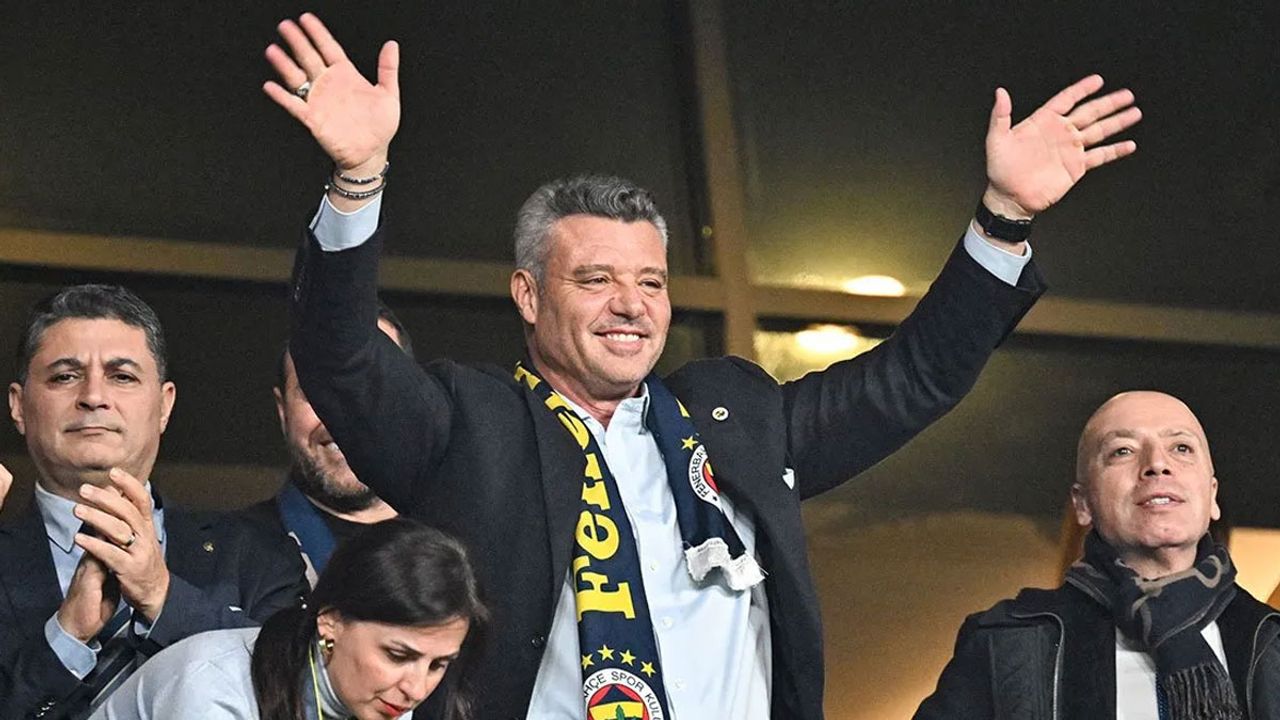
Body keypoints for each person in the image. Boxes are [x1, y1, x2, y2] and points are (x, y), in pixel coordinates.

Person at [263, 13, 1142, 719]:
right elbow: (340, 362)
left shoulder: (735, 419)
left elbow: (912, 379)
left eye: (650, 282)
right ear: (527, 296)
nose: (631, 304)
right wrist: (358, 179)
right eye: (596, 280)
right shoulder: (467, 423)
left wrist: (1002, 219)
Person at [0, 285, 308, 720]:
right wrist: (64, 638)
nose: (93, 396)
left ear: (164, 406)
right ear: (18, 406)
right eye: (65, 376)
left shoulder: (258, 553)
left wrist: (160, 595)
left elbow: (298, 693)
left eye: (122, 376)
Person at [915, 392, 1280, 720]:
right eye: (1123, 451)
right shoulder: (1006, 641)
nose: (1157, 463)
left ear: (1212, 496)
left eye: (1181, 448)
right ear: (1083, 504)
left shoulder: (1271, 642)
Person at [90, 517, 487, 720]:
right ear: (329, 621)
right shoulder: (211, 688)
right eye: (398, 655)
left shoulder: (383, 699)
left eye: (438, 665)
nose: (416, 689)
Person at [241, 302, 413, 586]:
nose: (344, 415)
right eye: (316, 390)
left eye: (371, 386)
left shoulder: (470, 552)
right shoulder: (225, 560)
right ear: (283, 410)